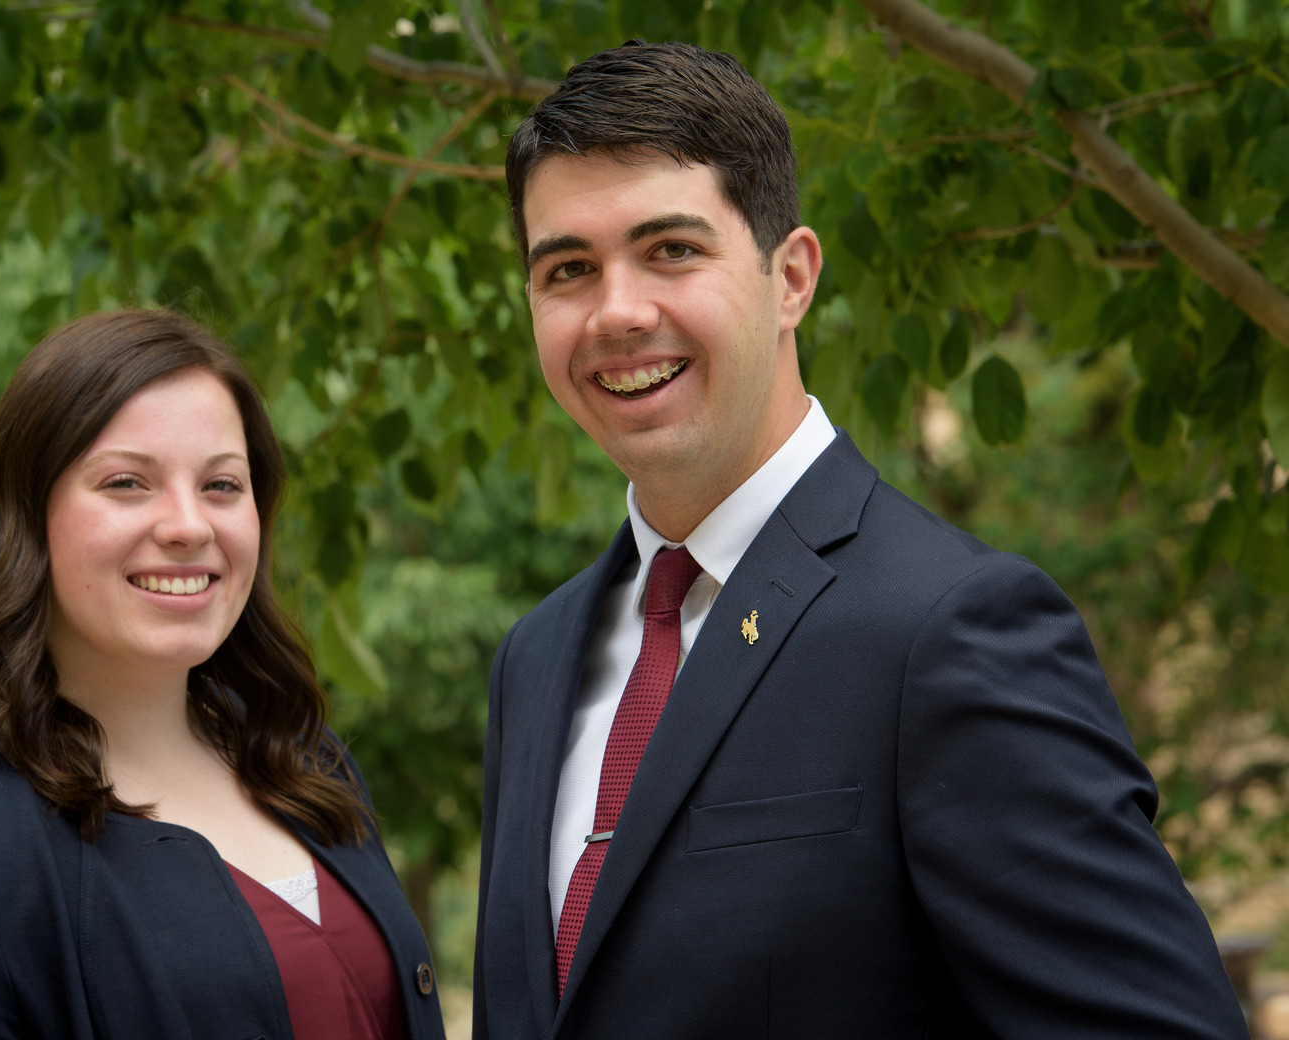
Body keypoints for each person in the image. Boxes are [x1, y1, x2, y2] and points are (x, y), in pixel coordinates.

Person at [473, 40, 1248, 1039]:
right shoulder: (534, 660)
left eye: (671, 249)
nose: (618, 311)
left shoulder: (952, 627)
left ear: (791, 276)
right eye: (569, 268)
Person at [0, 310, 445, 1040]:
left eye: (221, 485)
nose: (188, 526)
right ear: (24, 515)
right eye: (126, 483)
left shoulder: (308, 765)